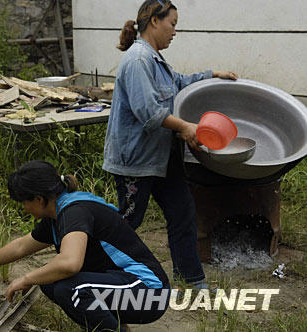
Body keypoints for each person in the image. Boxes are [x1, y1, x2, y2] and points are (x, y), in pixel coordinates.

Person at [103, 0, 238, 288]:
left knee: (183, 215)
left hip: (163, 157)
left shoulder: (156, 59)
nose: (175, 32)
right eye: (172, 24)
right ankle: (91, 263)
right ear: (154, 20)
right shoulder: (138, 60)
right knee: (127, 222)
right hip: (136, 161)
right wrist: (188, 127)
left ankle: (192, 281)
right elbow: (149, 113)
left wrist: (213, 75)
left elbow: (178, 82)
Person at [0, 160, 171, 332]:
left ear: (39, 198)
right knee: (50, 283)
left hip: (149, 292)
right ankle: (115, 326)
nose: (24, 208)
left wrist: (25, 278)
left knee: (70, 288)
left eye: (24, 202)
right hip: (126, 286)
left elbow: (70, 263)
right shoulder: (57, 215)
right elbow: (21, 247)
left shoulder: (74, 211)